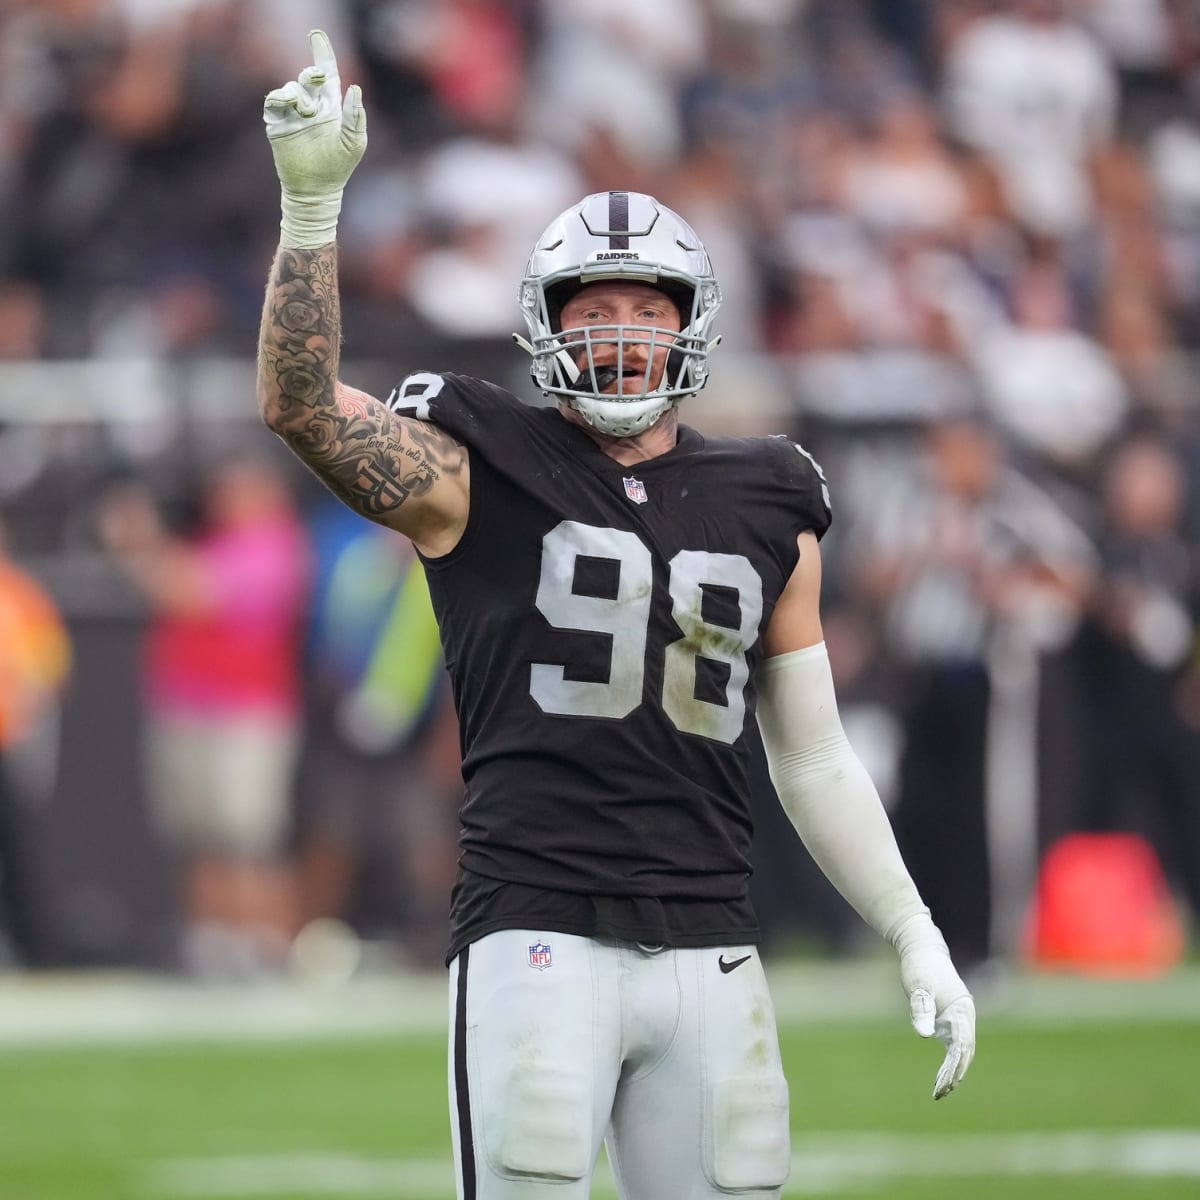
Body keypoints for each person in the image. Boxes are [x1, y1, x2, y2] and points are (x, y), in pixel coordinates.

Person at [258, 32, 976, 1198]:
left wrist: (911, 926)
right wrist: (308, 213)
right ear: (547, 323)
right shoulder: (478, 464)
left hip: (714, 945)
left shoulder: (770, 496)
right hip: (538, 935)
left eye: (650, 307)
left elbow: (810, 749)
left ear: (690, 323)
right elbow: (298, 404)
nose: (623, 331)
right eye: (595, 307)